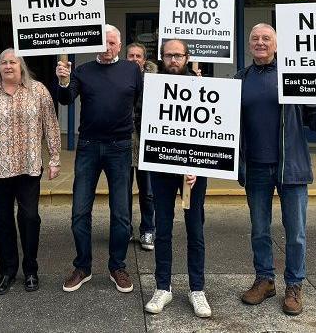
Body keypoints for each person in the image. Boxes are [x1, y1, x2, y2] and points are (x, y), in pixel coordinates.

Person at [237, 23, 316, 316]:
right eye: (255, 38)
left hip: (292, 168)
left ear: (275, 44)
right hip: (256, 169)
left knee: (295, 232)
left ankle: (294, 285)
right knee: (259, 230)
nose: (260, 42)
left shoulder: (295, 76)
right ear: (250, 45)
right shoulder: (240, 79)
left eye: (266, 38)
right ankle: (264, 280)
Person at [55, 24, 143, 293]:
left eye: (113, 43)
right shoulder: (81, 70)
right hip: (89, 147)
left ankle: (118, 266)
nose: (107, 47)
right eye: (103, 42)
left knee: (121, 214)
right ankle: (83, 266)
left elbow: (145, 101)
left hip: (120, 147)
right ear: (95, 45)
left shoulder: (132, 70)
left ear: (119, 45)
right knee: (80, 211)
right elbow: (66, 100)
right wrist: (63, 81)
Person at [0, 49, 61, 295]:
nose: (8, 66)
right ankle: (7, 271)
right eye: (4, 63)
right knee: (2, 221)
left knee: (30, 218)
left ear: (22, 66)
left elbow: (51, 125)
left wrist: (54, 158)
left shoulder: (38, 91)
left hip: (28, 166)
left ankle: (31, 269)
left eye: (13, 62)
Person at [143, 39, 211, 318]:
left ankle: (197, 289)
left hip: (194, 172)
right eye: (168, 55)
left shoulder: (202, 85)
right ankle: (163, 287)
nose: (173, 60)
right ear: (162, 58)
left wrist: (195, 162)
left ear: (187, 57)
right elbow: (147, 123)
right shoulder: (153, 86)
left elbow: (210, 126)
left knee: (195, 229)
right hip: (161, 168)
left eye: (178, 55)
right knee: (164, 229)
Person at [125, 42, 157, 250]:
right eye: (131, 56)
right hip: (125, 140)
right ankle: (124, 229)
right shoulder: (118, 77)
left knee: (147, 191)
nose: (135, 59)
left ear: (144, 60)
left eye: (138, 56)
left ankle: (148, 231)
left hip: (147, 140)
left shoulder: (156, 80)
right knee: (123, 190)